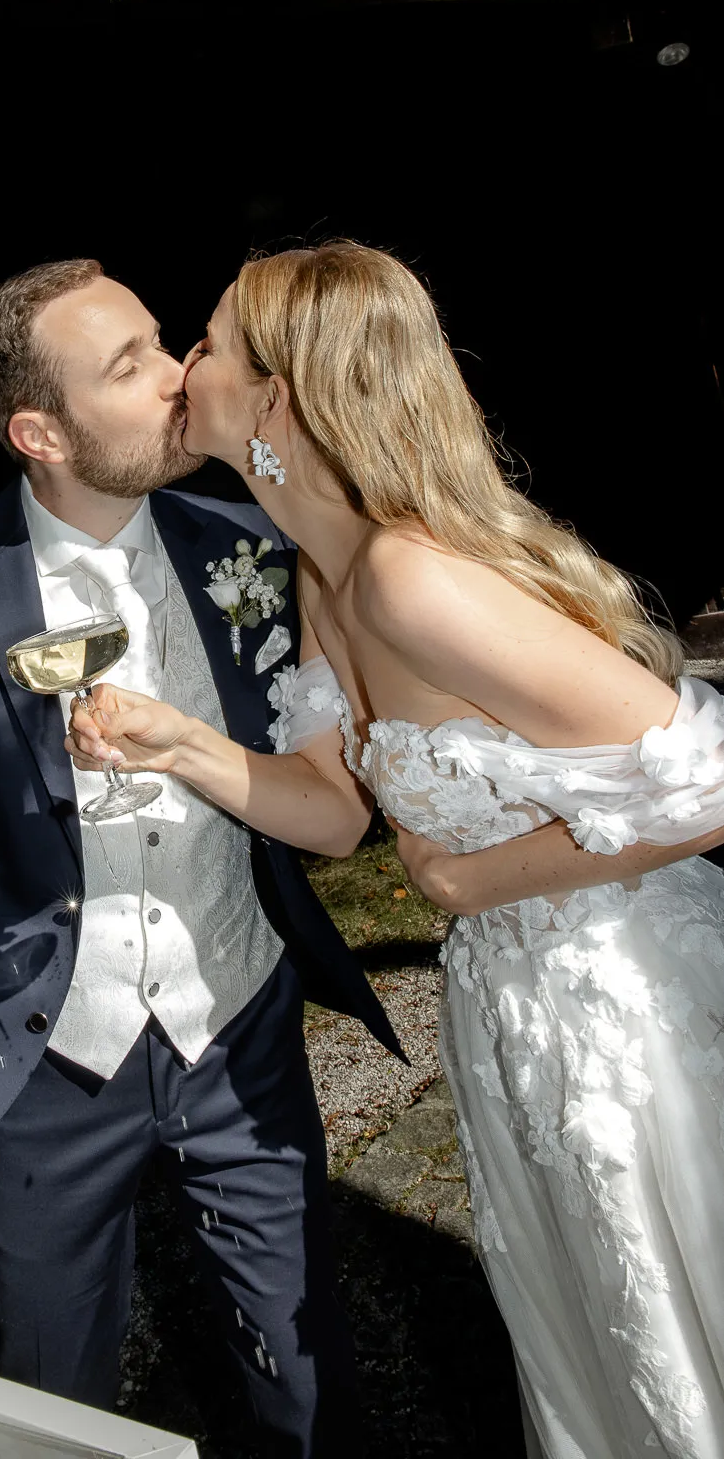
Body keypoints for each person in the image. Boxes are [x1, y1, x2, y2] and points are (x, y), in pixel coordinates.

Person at [68, 240, 724, 1459]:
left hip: (626, 1006)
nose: (180, 366)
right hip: (510, 1012)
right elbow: (334, 811)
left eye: (204, 342)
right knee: (593, 1328)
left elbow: (710, 781)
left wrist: (466, 879)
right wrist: (181, 745)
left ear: (272, 398)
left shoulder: (412, 580)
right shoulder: (324, 578)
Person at [0, 257, 401, 1455]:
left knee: (304, 1366)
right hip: (45, 1063)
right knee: (52, 1394)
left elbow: (332, 791)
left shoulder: (254, 544)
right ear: (41, 432)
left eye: (164, 341)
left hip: (237, 1026)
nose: (179, 375)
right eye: (130, 366)